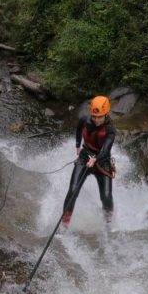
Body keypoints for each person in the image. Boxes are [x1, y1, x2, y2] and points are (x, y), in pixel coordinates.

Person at [61, 95, 116, 230]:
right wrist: (78, 145)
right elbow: (79, 130)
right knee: (73, 190)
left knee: (106, 196)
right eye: (94, 116)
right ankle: (64, 225)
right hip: (84, 157)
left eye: (100, 116)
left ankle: (109, 223)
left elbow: (105, 149)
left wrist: (96, 159)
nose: (96, 119)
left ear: (106, 114)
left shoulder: (110, 130)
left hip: (102, 162)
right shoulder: (85, 120)